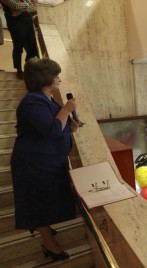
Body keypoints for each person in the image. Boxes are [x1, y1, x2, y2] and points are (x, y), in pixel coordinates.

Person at [11, 58, 80, 261]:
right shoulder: (32, 101)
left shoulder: (47, 98)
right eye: (56, 75)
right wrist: (67, 110)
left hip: (47, 162)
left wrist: (71, 125)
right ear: (46, 78)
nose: (59, 79)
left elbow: (56, 124)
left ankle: (46, 227)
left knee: (50, 198)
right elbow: (50, 130)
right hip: (33, 164)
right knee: (39, 203)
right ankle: (48, 244)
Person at [1, 0, 38, 79]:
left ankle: (28, 65)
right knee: (18, 46)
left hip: (27, 20)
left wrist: (23, 6)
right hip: (15, 22)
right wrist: (27, 5)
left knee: (33, 45)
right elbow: (15, 6)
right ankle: (19, 70)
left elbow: (33, 8)